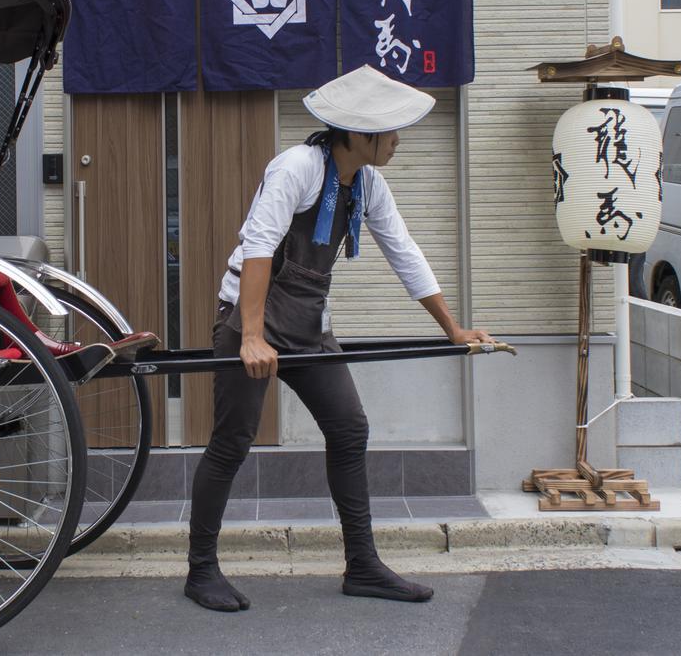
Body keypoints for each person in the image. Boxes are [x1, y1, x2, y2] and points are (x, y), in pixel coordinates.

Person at [184, 65, 493, 612]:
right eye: (390, 131)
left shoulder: (367, 182)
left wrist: (453, 329)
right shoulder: (297, 167)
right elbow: (258, 245)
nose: (398, 141)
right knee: (233, 440)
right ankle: (201, 569)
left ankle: (363, 565)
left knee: (349, 430)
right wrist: (251, 337)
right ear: (356, 133)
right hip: (249, 315)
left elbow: (405, 252)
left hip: (307, 323)